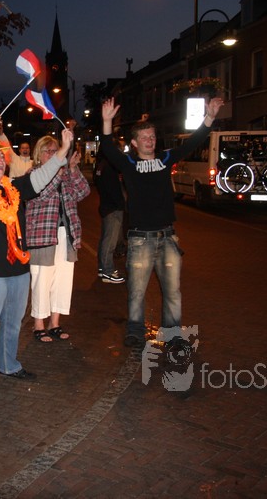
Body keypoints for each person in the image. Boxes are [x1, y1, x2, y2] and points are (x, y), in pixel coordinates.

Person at [0, 115, 72, 397]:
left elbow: (42, 177)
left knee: (13, 322)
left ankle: (9, 365)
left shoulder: (15, 188)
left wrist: (63, 150)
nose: (0, 160)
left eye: (2, 156)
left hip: (17, 269)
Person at [100, 96, 224, 348]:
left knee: (172, 291)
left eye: (152, 136)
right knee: (137, 290)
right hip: (140, 238)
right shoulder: (129, 163)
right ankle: (135, 331)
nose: (150, 140)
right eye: (144, 137)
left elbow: (193, 143)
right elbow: (108, 148)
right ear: (135, 143)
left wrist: (209, 117)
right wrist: (107, 122)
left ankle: (173, 334)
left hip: (167, 236)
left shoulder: (166, 159)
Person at [25, 135, 90, 343]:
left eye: (56, 151)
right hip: (42, 236)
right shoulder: (33, 174)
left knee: (62, 280)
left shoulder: (64, 173)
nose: (54, 155)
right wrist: (59, 171)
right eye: (49, 152)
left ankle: (55, 323)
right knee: (41, 280)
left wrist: (73, 169)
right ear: (39, 155)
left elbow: (83, 191)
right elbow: (43, 194)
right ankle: (38, 324)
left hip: (66, 235)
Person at [94, 149, 126, 284]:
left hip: (106, 206)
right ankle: (107, 271)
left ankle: (103, 268)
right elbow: (114, 189)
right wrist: (120, 204)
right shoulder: (109, 167)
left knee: (106, 239)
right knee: (110, 241)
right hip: (112, 208)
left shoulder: (100, 166)